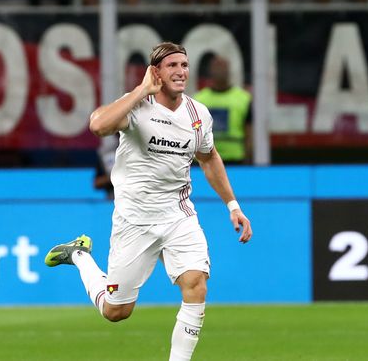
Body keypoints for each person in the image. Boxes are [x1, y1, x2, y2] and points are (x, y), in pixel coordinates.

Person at [44, 42, 252, 361]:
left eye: (184, 64)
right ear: (155, 72)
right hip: (134, 220)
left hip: (178, 216)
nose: (181, 71)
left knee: (196, 283)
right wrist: (141, 91)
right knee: (116, 312)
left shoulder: (199, 115)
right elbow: (98, 125)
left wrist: (233, 205)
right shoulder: (137, 108)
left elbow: (209, 159)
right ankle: (79, 255)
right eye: (172, 66)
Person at [193, 55, 253, 165]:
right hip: (204, 158)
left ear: (229, 70)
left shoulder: (243, 98)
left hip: (235, 158)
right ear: (210, 71)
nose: (220, 70)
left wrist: (248, 157)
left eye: (223, 66)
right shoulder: (198, 100)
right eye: (216, 66)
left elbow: (249, 131)